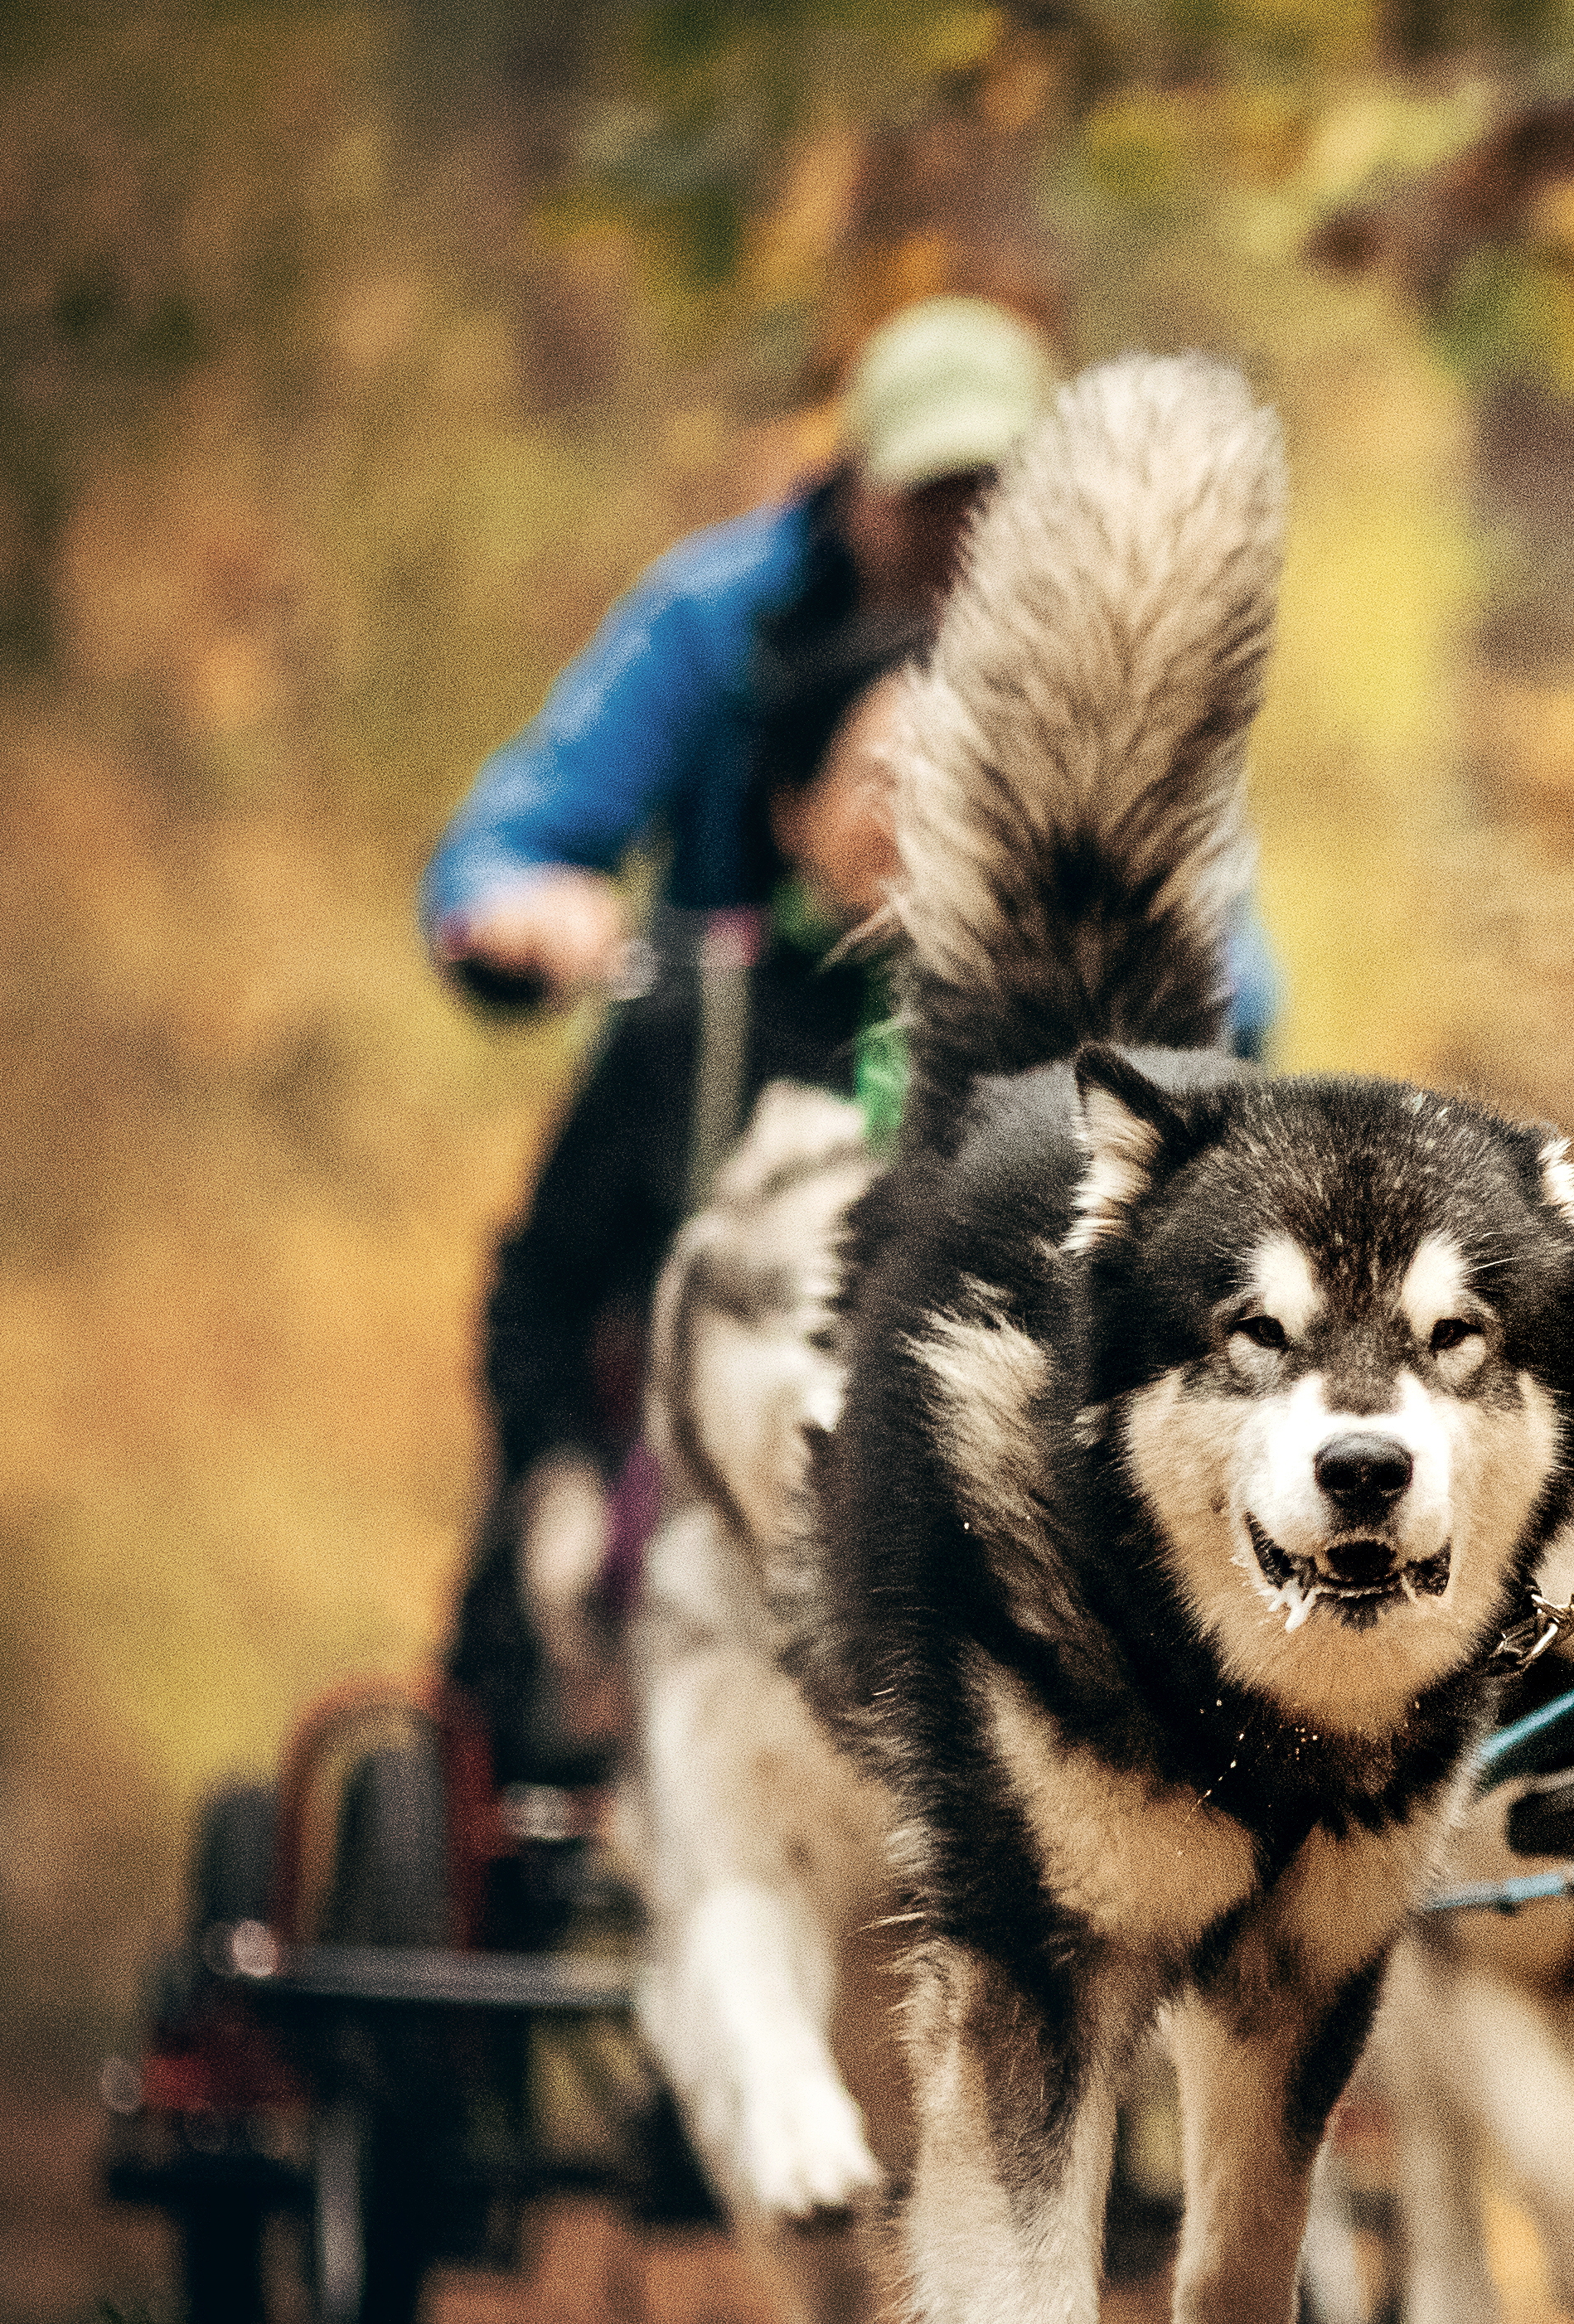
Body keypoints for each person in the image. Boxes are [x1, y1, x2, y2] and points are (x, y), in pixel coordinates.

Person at [426, 298, 1286, 1785]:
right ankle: (548, 1694)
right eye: (934, 499)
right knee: (597, 1345)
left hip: (994, 1095)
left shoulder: (1107, 649)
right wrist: (527, 907)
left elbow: (1218, 930)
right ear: (855, 486)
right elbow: (523, 832)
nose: (966, 541)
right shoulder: (720, 619)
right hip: (730, 1082)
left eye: (998, 502)